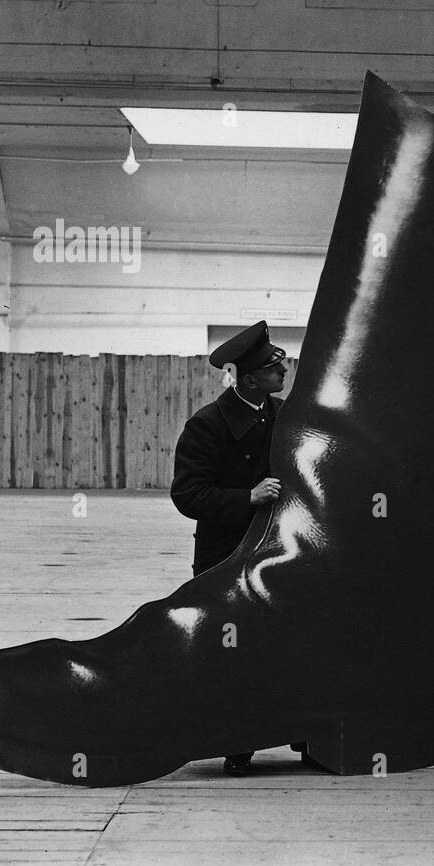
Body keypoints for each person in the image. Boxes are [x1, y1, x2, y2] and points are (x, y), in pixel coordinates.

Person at [171, 321, 287, 776]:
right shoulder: (207, 425)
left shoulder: (285, 415)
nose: (282, 370)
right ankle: (235, 741)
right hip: (225, 556)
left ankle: (294, 731)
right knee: (228, 651)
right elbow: (188, 495)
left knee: (278, 643)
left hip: (277, 553)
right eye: (272, 367)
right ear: (249, 378)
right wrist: (247, 498)